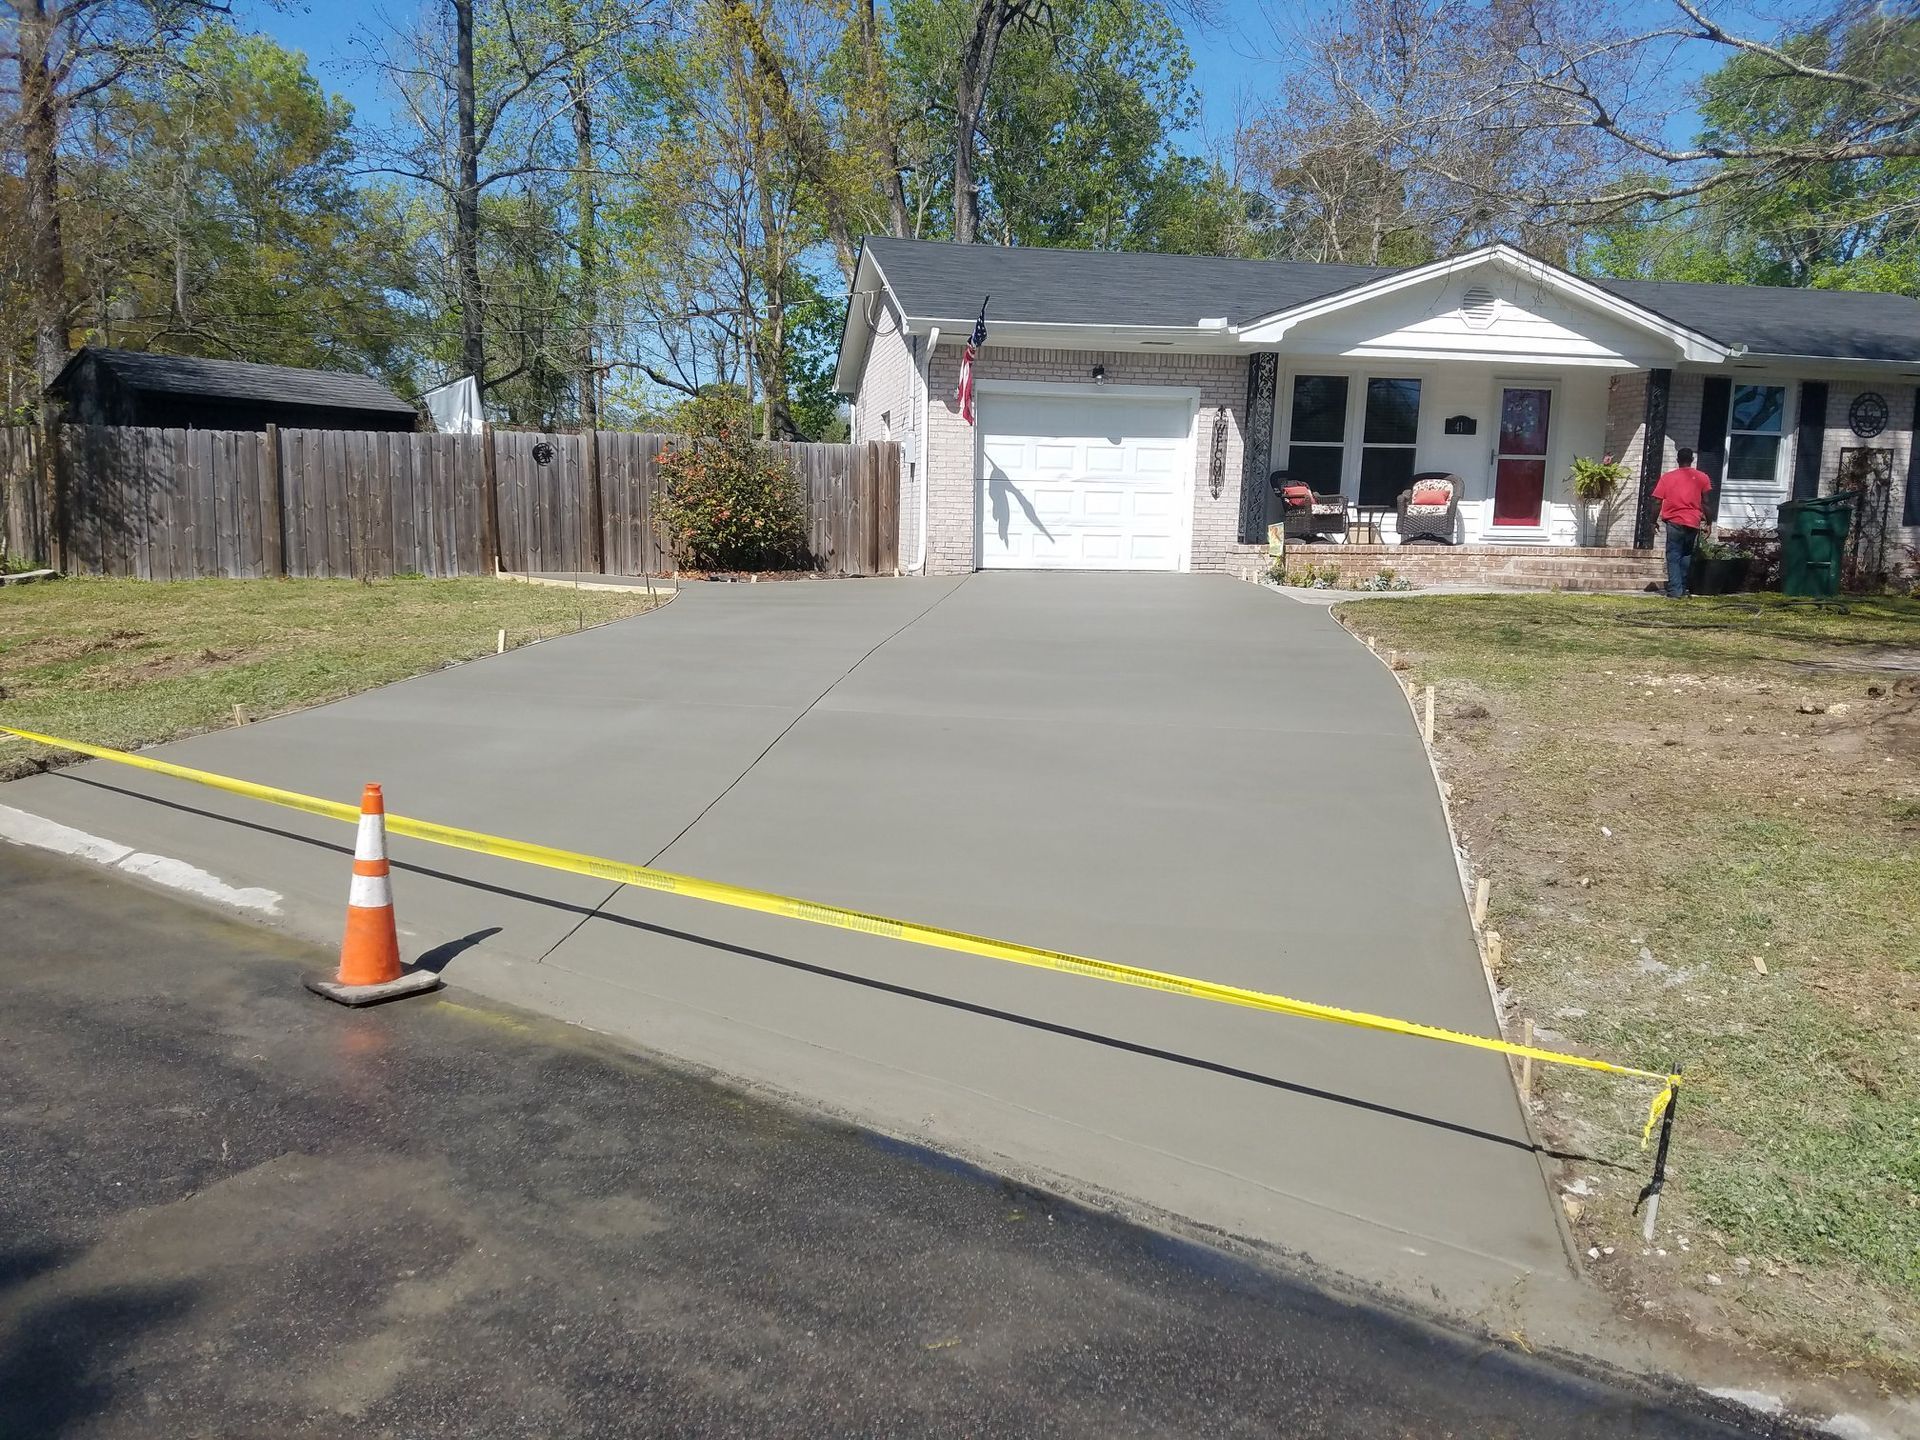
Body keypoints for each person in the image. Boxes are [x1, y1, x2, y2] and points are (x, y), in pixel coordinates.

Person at [1651, 447, 1714, 598]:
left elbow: (1657, 502)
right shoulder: (1702, 477)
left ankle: (1675, 590)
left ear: (1677, 460)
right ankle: (1682, 588)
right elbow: (1706, 502)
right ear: (1692, 460)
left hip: (1674, 521)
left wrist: (1653, 521)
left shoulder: (1667, 477)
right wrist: (1709, 523)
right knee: (1686, 555)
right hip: (1693, 521)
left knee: (1673, 555)